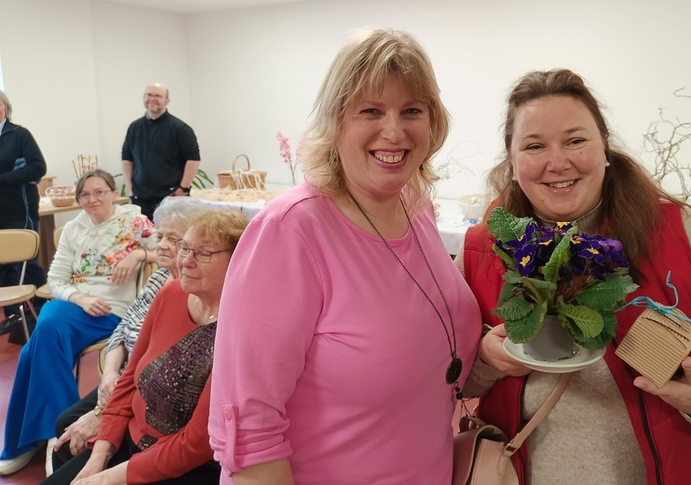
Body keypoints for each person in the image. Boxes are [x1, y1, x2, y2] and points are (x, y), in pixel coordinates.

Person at [459, 69, 691, 484]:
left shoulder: (684, 235)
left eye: (575, 140)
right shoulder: (481, 251)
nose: (557, 162)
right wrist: (488, 360)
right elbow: (450, 380)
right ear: (512, 163)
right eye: (534, 146)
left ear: (604, 148)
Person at [209, 27, 481, 485]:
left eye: (411, 111)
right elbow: (249, 433)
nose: (393, 130)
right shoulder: (289, 231)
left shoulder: (417, 207)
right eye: (370, 111)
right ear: (336, 121)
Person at [44, 209, 249, 485]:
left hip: (178, 465)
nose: (186, 261)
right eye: (185, 248)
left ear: (238, 260)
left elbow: (196, 443)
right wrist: (99, 456)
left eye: (203, 253)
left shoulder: (239, 330)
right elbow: (130, 378)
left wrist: (107, 478)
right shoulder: (170, 293)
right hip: (131, 439)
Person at [0, 169, 156, 476]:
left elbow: (167, 252)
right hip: (76, 306)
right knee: (47, 328)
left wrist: (137, 256)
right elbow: (55, 279)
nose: (92, 199)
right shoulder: (73, 228)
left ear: (114, 193)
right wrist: (81, 299)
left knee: (34, 349)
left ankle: (30, 441)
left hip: (113, 310)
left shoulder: (135, 221)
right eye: (84, 194)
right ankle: (60, 432)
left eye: (99, 192)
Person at [0, 90, 47, 334]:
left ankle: (40, 312)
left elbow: (38, 167)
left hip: (20, 209)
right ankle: (14, 315)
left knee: (26, 263)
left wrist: (3, 179)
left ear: (5, 107)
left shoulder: (19, 135)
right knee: (3, 265)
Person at [121, 83, 201, 220]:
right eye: (149, 95)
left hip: (172, 199)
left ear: (167, 101)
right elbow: (127, 159)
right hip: (141, 199)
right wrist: (130, 188)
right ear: (144, 98)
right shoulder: (134, 127)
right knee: (143, 234)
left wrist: (183, 188)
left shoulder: (180, 128)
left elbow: (193, 159)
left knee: (171, 233)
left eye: (158, 96)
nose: (153, 99)